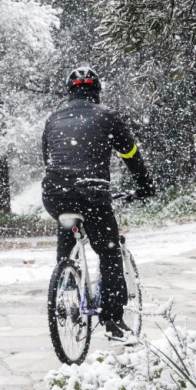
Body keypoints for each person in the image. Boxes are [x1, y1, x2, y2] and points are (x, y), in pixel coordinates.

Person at [42, 67, 155, 339]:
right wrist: (145, 185)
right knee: (108, 251)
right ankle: (114, 322)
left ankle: (65, 286)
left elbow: (48, 157)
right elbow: (130, 154)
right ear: (97, 91)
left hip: (54, 193)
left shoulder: (53, 118)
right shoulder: (108, 117)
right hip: (91, 193)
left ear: (70, 92)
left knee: (68, 228)